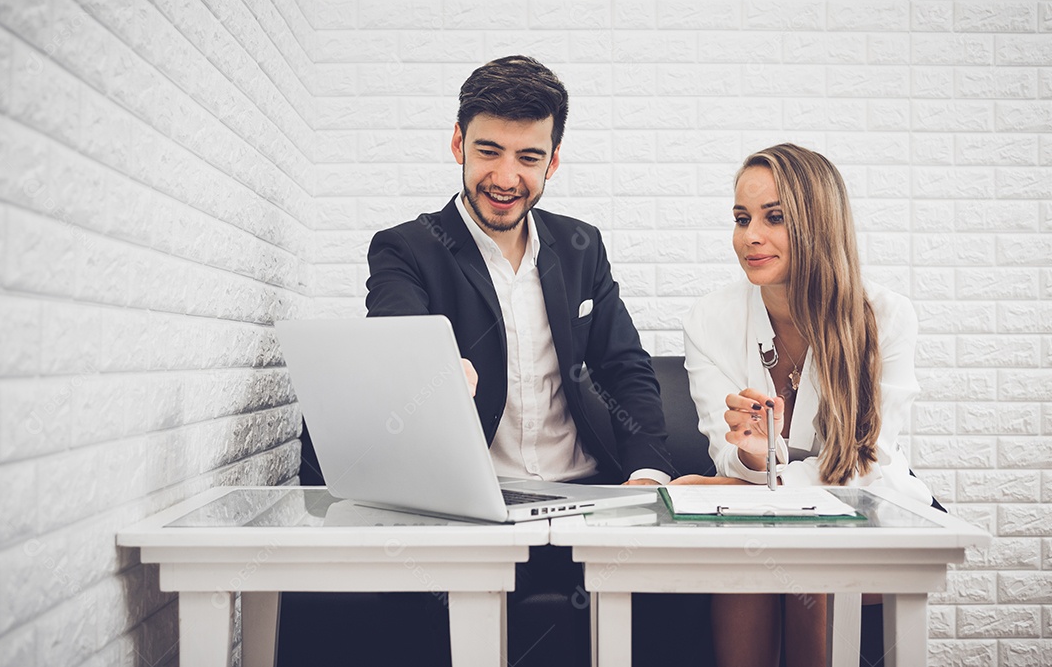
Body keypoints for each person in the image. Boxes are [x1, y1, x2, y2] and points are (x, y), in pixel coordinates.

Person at [364, 55, 675, 666]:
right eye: (488, 151)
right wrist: (430, 366)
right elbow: (397, 335)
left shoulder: (581, 246)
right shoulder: (407, 247)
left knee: (654, 603)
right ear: (458, 142)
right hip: (471, 514)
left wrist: (647, 476)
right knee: (422, 610)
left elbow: (626, 367)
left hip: (586, 505)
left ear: (553, 159)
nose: (505, 177)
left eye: (528, 157)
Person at [675, 143, 933, 667]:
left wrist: (750, 485)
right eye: (742, 218)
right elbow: (727, 458)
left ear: (818, 223)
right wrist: (749, 457)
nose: (751, 236)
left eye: (775, 218)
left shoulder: (885, 316)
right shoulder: (708, 319)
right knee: (751, 568)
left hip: (870, 510)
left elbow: (866, 463)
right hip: (762, 520)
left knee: (808, 560)